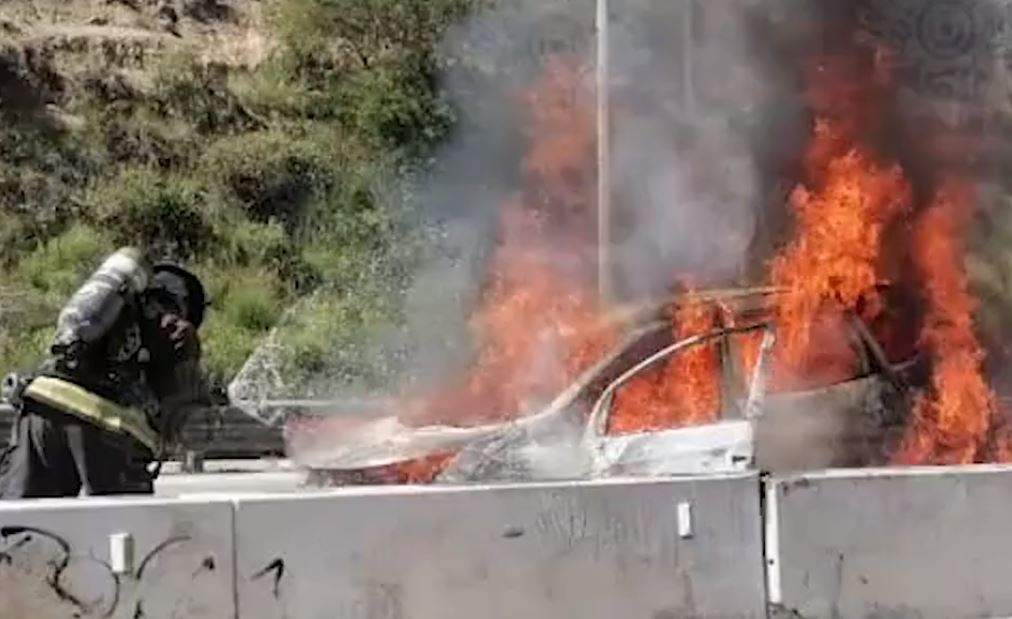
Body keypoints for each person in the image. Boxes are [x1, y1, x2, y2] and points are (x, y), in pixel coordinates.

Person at [0, 247, 213, 498]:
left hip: (41, 404)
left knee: (25, 523)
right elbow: (178, 409)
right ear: (185, 303)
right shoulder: (178, 329)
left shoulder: (108, 314)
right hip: (106, 424)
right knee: (116, 527)